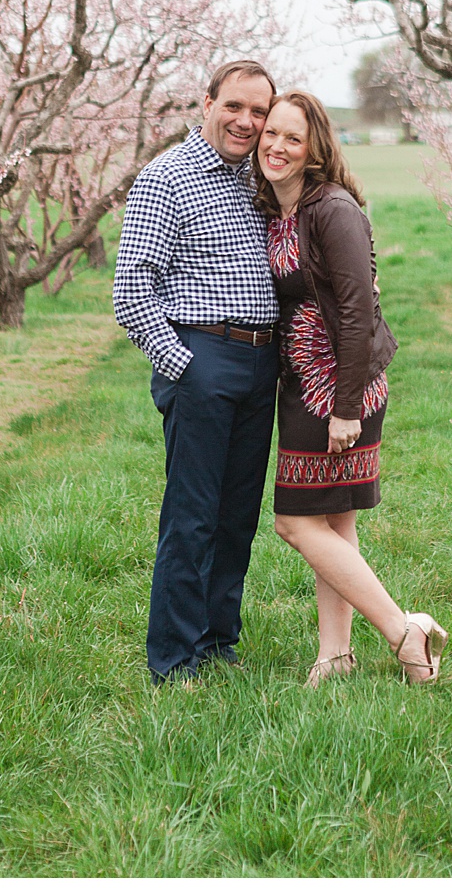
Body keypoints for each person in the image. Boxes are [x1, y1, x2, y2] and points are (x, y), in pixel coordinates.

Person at [255, 89, 447, 685]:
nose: (278, 147)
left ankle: (402, 631)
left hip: (338, 389)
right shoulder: (279, 208)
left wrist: (344, 408)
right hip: (305, 382)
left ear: (315, 147)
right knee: (334, 524)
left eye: (293, 137)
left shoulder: (332, 208)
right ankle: (334, 654)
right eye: (272, 135)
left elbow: (359, 309)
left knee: (295, 523)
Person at [113, 60, 281, 684]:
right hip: (202, 359)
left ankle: (217, 642)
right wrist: (184, 366)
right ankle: (174, 659)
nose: (246, 122)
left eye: (258, 112)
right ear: (206, 102)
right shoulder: (168, 178)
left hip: (260, 364)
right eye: (234, 106)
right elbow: (132, 289)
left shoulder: (256, 181)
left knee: (238, 514)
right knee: (193, 515)